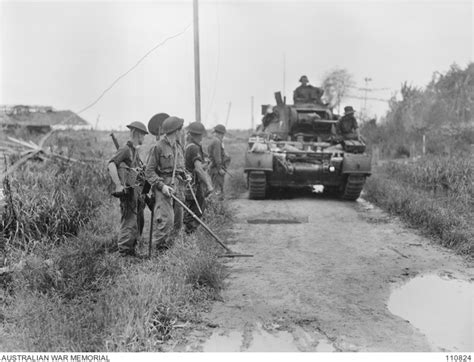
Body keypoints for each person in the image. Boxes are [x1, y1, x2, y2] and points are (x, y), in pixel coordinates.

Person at [108, 121, 149, 257]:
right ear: (137, 134)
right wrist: (118, 185)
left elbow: (138, 174)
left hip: (137, 194)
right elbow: (111, 164)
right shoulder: (125, 149)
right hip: (129, 194)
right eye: (143, 135)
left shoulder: (134, 151)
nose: (144, 138)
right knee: (129, 223)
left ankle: (132, 250)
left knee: (138, 223)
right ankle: (124, 255)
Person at [145, 116, 186, 251]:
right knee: (165, 222)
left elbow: (181, 168)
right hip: (163, 187)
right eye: (181, 130)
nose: (182, 132)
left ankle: (170, 251)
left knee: (178, 222)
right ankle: (159, 253)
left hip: (178, 186)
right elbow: (149, 171)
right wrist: (162, 186)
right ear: (176, 131)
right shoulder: (158, 147)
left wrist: (186, 176)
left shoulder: (178, 146)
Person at [183, 122, 214, 233]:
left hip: (189, 185)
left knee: (190, 211)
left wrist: (204, 165)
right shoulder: (194, 148)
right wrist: (209, 185)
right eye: (200, 135)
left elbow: (194, 167)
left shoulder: (188, 146)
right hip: (194, 186)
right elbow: (198, 169)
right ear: (196, 135)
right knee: (195, 212)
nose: (201, 137)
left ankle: (188, 236)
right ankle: (189, 237)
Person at [208, 124, 231, 198]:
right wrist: (220, 168)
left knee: (217, 189)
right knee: (218, 191)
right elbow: (217, 156)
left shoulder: (215, 141)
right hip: (216, 170)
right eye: (223, 134)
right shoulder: (217, 141)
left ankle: (216, 206)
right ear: (221, 133)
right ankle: (216, 206)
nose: (223, 136)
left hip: (215, 169)